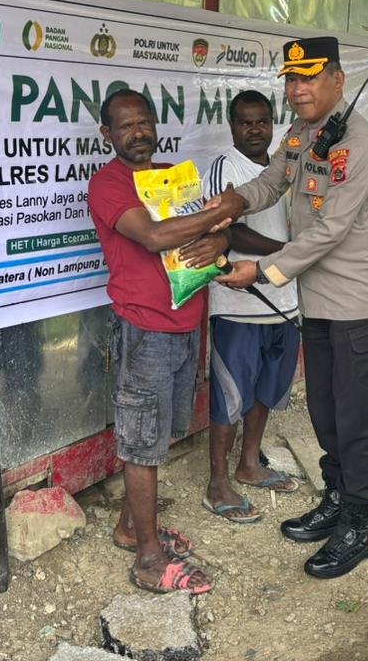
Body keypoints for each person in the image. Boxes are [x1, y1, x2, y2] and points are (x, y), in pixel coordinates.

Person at [211, 36, 368, 579]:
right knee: (325, 409)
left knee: (357, 420)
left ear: (337, 80)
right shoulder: (304, 132)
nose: (297, 89)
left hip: (362, 307)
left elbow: (330, 230)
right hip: (318, 305)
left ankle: (358, 524)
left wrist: (260, 271)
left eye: (310, 78)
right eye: (292, 79)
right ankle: (338, 498)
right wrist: (233, 201)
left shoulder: (356, 143)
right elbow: (273, 181)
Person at [88, 88, 232, 596]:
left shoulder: (173, 176)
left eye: (144, 122)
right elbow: (153, 236)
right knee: (142, 444)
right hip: (144, 329)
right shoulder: (107, 184)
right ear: (107, 134)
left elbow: (219, 234)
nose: (138, 132)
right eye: (126, 126)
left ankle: (131, 528)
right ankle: (149, 559)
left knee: (160, 432)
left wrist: (220, 237)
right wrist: (218, 214)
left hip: (187, 320)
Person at [200, 90, 302, 523]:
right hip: (239, 304)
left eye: (262, 121)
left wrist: (293, 259)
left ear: (272, 124)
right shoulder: (226, 168)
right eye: (245, 122)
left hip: (286, 302)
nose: (255, 129)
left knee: (266, 390)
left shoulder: (287, 167)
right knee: (229, 396)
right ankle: (217, 482)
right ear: (232, 126)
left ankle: (249, 464)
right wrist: (290, 253)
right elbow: (228, 232)